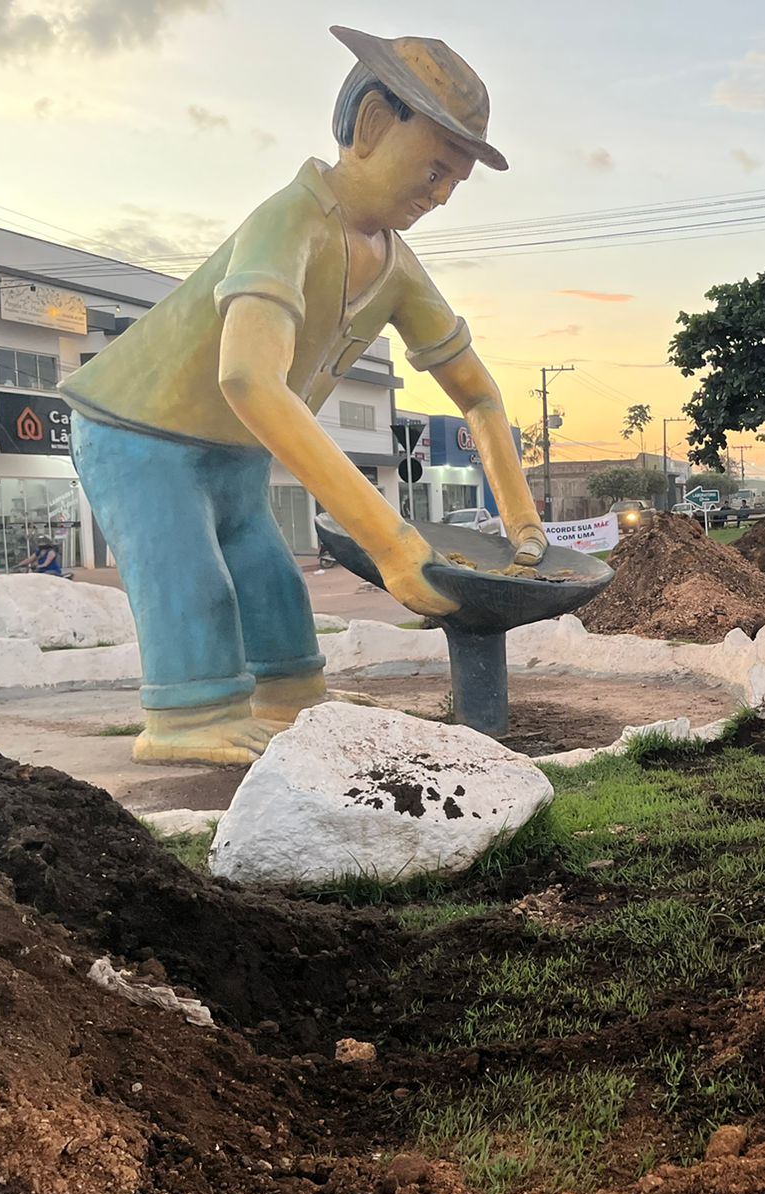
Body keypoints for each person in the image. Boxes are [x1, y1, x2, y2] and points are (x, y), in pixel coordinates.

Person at [62, 26, 546, 766]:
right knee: (194, 580)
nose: (442, 195)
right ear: (376, 125)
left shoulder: (398, 265)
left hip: (234, 452)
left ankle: (289, 697)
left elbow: (477, 394)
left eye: (455, 181)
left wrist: (523, 524)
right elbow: (248, 377)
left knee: (271, 584)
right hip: (138, 432)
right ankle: (189, 718)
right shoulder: (288, 221)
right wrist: (392, 543)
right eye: (433, 171)